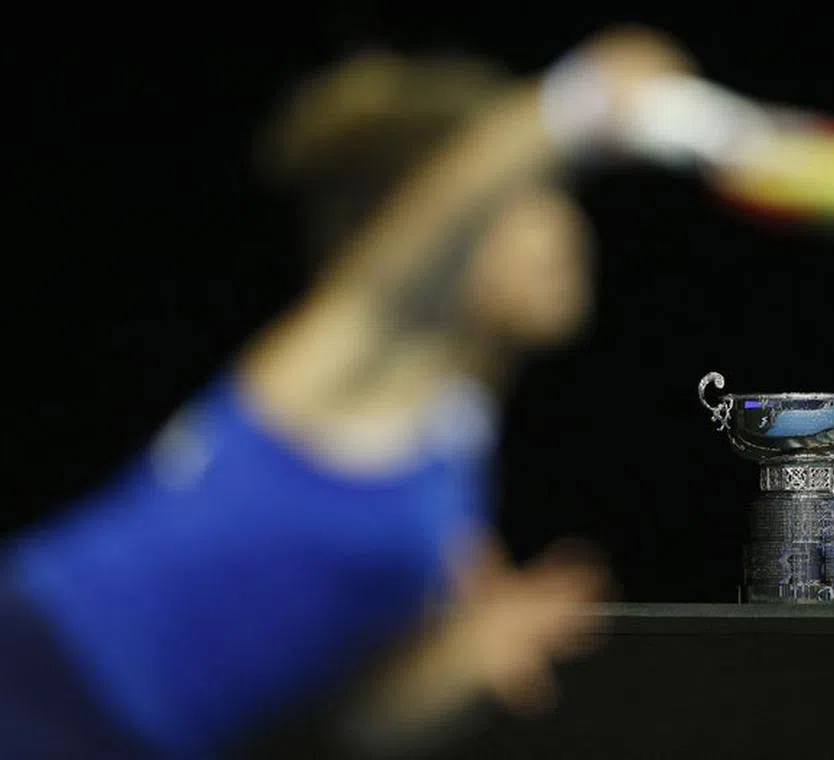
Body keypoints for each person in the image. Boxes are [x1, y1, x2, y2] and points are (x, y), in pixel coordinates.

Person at [0, 26, 713, 759]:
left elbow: (353, 715)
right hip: (30, 675)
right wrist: (576, 102)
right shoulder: (344, 355)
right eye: (532, 201)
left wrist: (460, 666)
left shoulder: (451, 451)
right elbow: (436, 226)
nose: (564, 227)